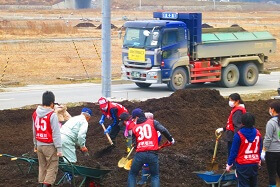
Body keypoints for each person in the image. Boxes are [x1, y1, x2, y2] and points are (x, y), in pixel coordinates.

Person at [127, 108, 175, 187]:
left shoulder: (134, 128)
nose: (133, 120)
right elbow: (163, 130)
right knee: (155, 176)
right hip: (153, 154)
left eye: (133, 118)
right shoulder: (153, 122)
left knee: (132, 174)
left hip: (140, 154)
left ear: (137, 117)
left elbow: (134, 145)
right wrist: (170, 139)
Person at [32, 91, 62, 187]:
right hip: (49, 146)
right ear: (52, 103)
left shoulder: (35, 114)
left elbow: (34, 131)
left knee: (42, 167)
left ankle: (41, 184)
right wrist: (59, 149)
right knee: (52, 167)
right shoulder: (52, 115)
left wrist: (35, 145)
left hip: (39, 145)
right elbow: (56, 133)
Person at [226, 112, 262, 187]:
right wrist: (259, 159)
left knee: (243, 184)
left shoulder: (239, 135)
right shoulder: (258, 133)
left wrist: (229, 164)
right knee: (253, 184)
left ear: (242, 122)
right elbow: (260, 148)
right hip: (254, 163)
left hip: (242, 165)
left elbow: (234, 151)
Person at [263, 101, 280, 187]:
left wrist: (264, 149)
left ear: (272, 110)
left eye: (270, 108)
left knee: (272, 174)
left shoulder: (271, 123)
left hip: (272, 152)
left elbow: (268, 138)